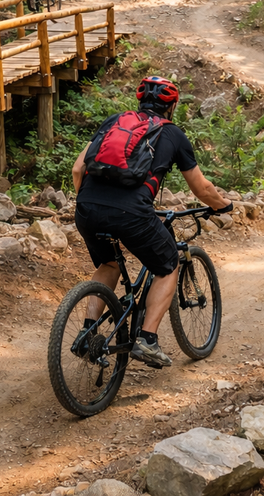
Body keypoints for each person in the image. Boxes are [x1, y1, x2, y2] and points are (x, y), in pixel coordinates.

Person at [71, 76, 233, 368]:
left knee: (108, 265)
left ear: (140, 101)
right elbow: (202, 189)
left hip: (86, 207)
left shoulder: (114, 122)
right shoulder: (173, 134)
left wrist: (90, 203)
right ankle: (147, 340)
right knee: (168, 263)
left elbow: (77, 169)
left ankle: (87, 331)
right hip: (131, 213)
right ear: (171, 107)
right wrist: (224, 205)